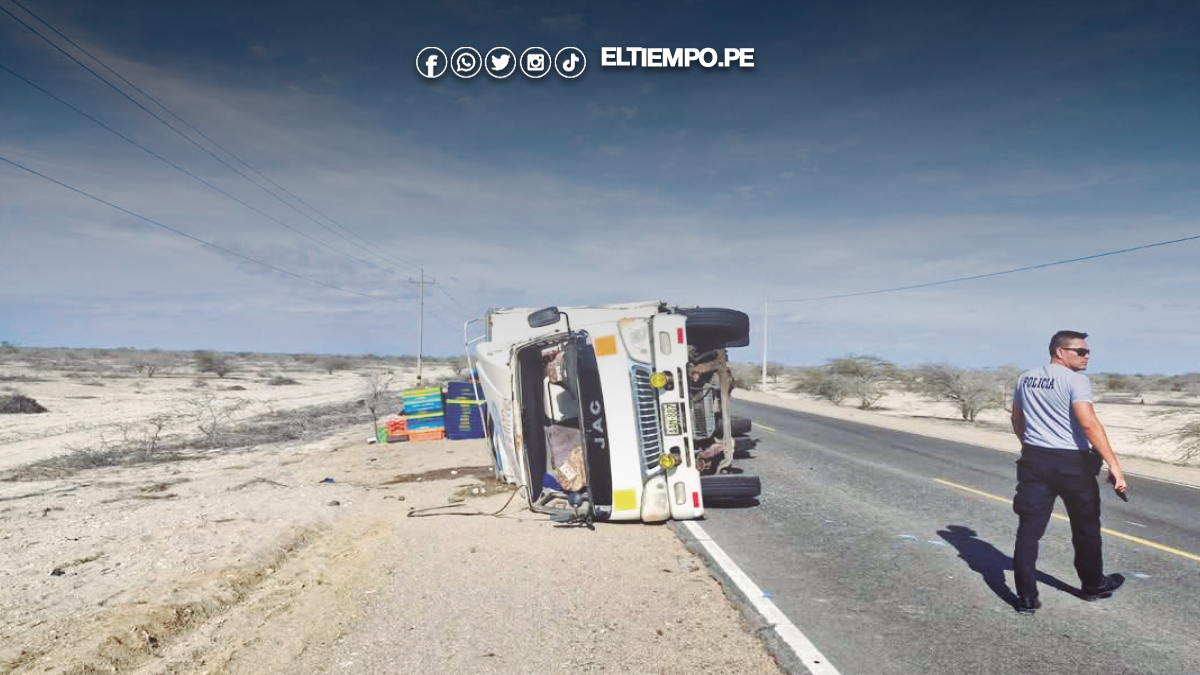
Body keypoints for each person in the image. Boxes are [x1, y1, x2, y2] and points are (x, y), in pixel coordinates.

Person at [1009, 330, 1127, 615]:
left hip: (1035, 459)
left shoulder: (1025, 378)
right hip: (1072, 463)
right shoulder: (1076, 381)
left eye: (1088, 351)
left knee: (1029, 531)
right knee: (1086, 527)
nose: (1087, 356)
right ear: (1060, 352)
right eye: (1080, 351)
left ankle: (1026, 598)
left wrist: (1029, 446)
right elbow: (1088, 423)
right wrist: (1114, 464)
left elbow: (1016, 417)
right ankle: (1093, 585)